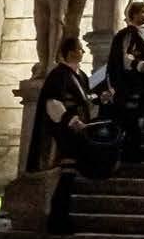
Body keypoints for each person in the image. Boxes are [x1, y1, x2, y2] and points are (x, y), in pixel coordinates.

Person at [26, 35, 97, 173]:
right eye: (80, 49)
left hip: (80, 129)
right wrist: (72, 121)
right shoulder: (58, 75)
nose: (83, 52)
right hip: (63, 131)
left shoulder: (81, 75)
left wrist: (100, 98)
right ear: (70, 53)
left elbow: (86, 98)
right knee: (65, 166)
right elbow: (53, 103)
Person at [106, 1, 144, 162]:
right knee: (131, 120)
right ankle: (130, 154)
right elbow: (123, 57)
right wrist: (137, 64)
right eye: (143, 12)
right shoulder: (125, 34)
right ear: (133, 14)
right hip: (131, 85)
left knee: (143, 116)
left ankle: (136, 150)